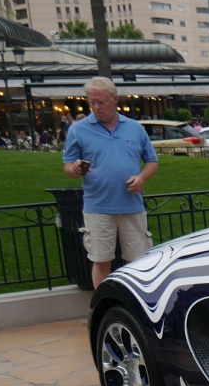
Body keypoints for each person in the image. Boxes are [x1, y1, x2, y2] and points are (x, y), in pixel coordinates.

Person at [61, 76, 159, 289]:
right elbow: (68, 167)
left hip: (132, 206)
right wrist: (75, 169)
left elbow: (152, 162)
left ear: (115, 100)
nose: (96, 107)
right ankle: (103, 308)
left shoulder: (134, 128)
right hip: (98, 207)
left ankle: (136, 304)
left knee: (138, 261)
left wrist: (141, 177)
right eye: (91, 102)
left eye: (101, 102)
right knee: (101, 260)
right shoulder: (78, 129)